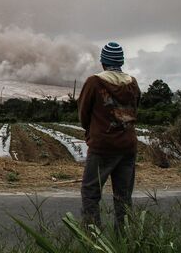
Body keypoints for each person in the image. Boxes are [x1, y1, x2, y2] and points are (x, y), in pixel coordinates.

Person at [78, 42, 141, 229]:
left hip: (102, 147)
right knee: (123, 197)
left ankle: (92, 239)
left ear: (103, 62)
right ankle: (123, 239)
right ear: (121, 61)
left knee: (90, 193)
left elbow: (83, 113)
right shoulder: (133, 83)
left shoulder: (94, 82)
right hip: (128, 146)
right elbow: (135, 109)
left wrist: (91, 132)